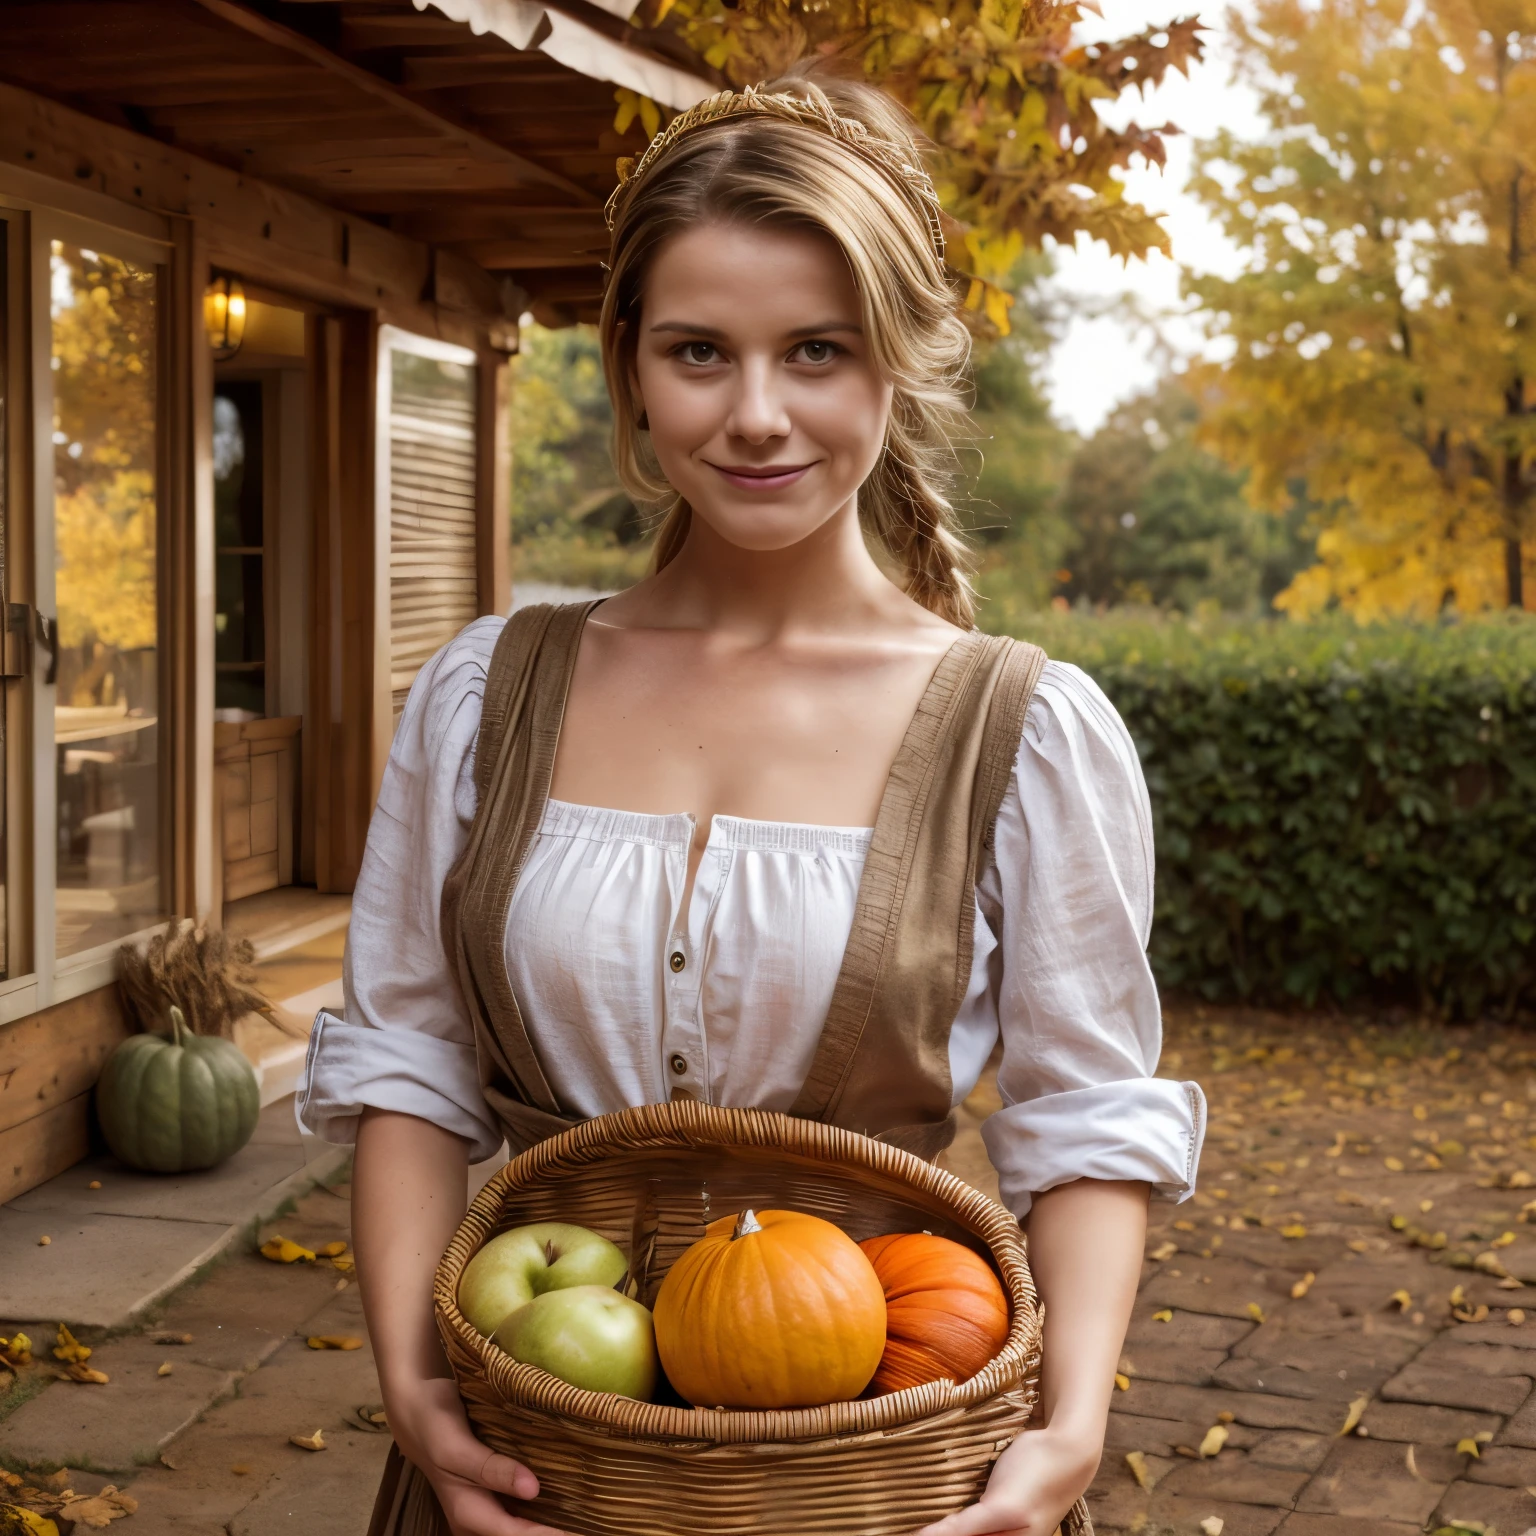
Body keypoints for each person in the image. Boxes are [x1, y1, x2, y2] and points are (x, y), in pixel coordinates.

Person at [298, 68, 1206, 1536]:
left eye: (819, 352)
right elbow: (412, 1066)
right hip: (531, 1457)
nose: (758, 416)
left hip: (881, 1457)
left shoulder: (1022, 730)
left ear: (894, 363)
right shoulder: (488, 693)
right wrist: (415, 1389)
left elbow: (1087, 1122)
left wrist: (1072, 1426)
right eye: (701, 352)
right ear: (632, 369)